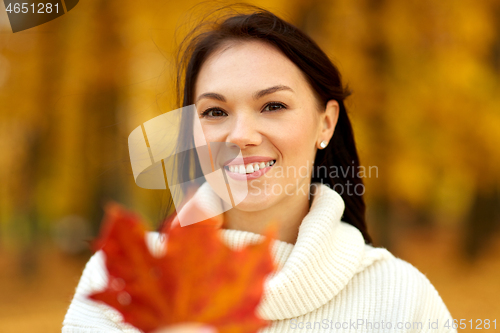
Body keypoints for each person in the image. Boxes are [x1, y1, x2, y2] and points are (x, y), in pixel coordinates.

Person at [62, 5, 457, 333]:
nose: (240, 135)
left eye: (273, 106)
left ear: (326, 122)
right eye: (215, 112)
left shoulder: (401, 298)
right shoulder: (125, 280)